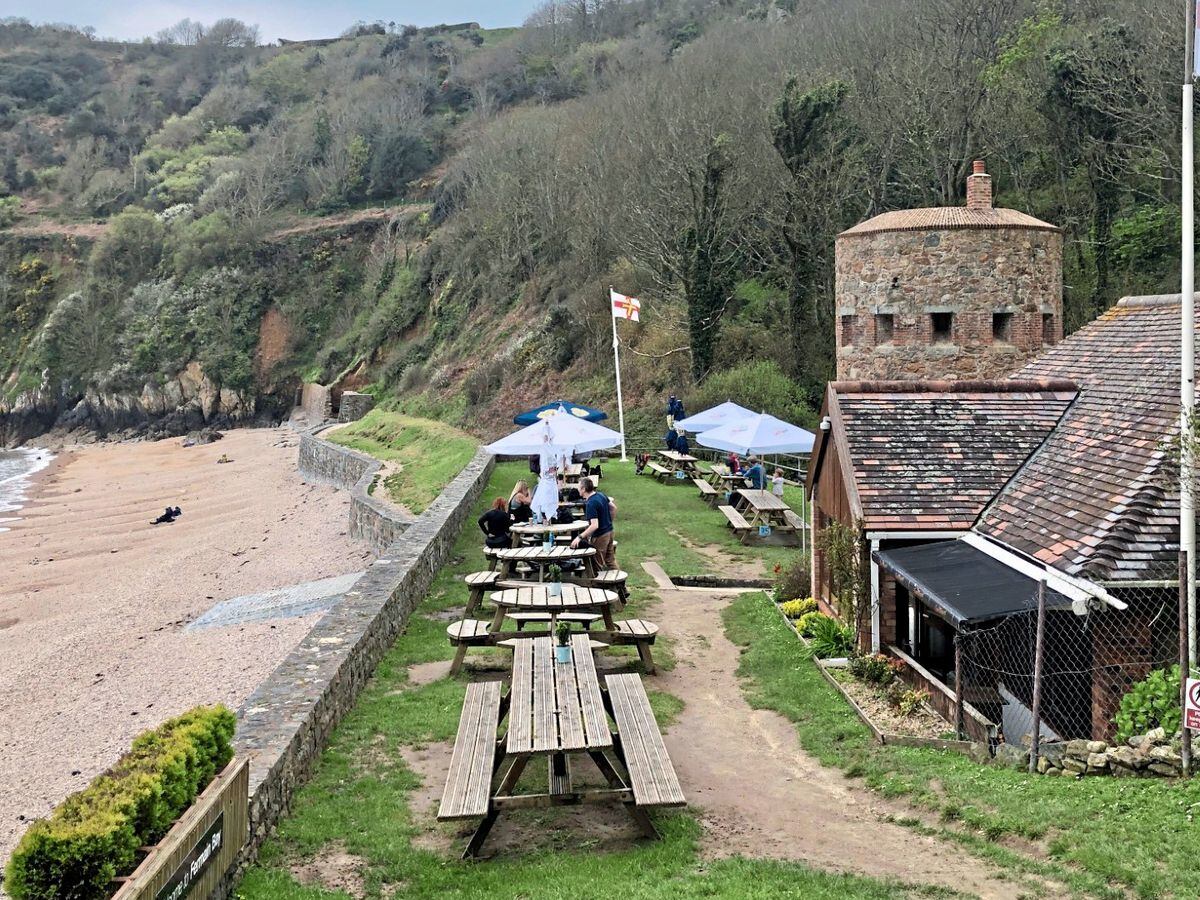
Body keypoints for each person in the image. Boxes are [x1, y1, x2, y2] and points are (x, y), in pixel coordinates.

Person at [570, 477, 617, 570]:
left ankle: (597, 584)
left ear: (583, 489)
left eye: (579, 487)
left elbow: (594, 525)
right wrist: (608, 522)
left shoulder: (591, 503)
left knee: (596, 564)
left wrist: (580, 537)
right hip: (610, 531)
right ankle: (619, 583)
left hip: (601, 536)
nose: (578, 489)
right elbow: (613, 508)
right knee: (610, 561)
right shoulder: (601, 495)